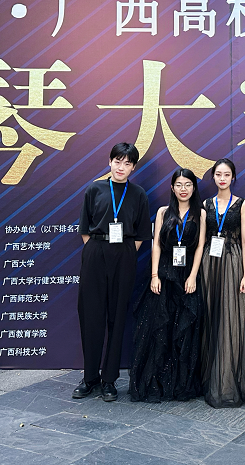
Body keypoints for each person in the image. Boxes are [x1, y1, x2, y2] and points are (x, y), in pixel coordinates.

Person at [73, 143, 151, 403]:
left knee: (117, 317)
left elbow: (141, 233)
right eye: (118, 161)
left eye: (127, 163)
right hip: (96, 251)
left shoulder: (138, 193)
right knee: (91, 315)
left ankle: (109, 380)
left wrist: (125, 253)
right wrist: (98, 250)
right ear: (109, 162)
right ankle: (89, 378)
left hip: (124, 254)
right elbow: (85, 228)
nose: (121, 167)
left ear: (133, 167)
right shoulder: (95, 189)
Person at [199, 158, 245, 408]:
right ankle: (209, 376)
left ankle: (231, 377)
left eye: (226, 174)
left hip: (233, 262)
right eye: (218, 174)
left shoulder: (243, 204)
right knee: (211, 315)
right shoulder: (205, 205)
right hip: (209, 263)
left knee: (231, 316)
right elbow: (202, 241)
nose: (222, 178)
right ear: (213, 177)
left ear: (233, 178)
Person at [129, 168, 207, 402]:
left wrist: (193, 276)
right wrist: (154, 275)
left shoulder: (200, 214)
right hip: (164, 273)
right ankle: (159, 382)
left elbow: (200, 247)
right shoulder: (163, 212)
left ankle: (181, 384)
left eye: (188, 185)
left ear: (194, 188)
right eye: (179, 185)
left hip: (187, 275)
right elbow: (156, 245)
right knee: (160, 328)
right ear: (172, 188)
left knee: (184, 329)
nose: (183, 189)